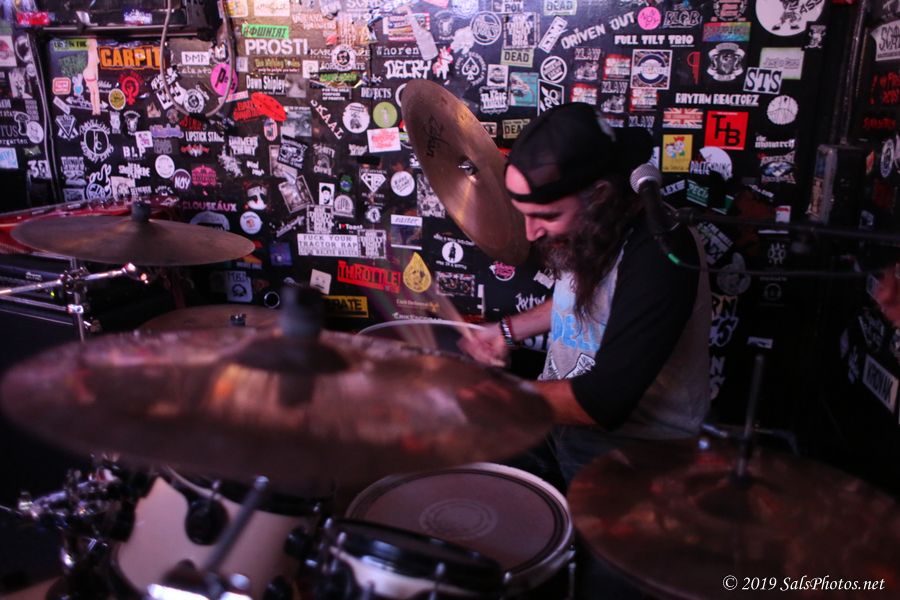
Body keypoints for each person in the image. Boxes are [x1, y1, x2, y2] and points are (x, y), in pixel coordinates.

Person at [460, 101, 711, 599]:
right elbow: (579, 298)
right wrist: (506, 330)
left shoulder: (663, 251)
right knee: (472, 506)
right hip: (561, 424)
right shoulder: (596, 229)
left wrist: (497, 398)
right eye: (524, 215)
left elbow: (603, 400)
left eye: (546, 216)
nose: (530, 233)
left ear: (600, 195)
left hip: (639, 448)